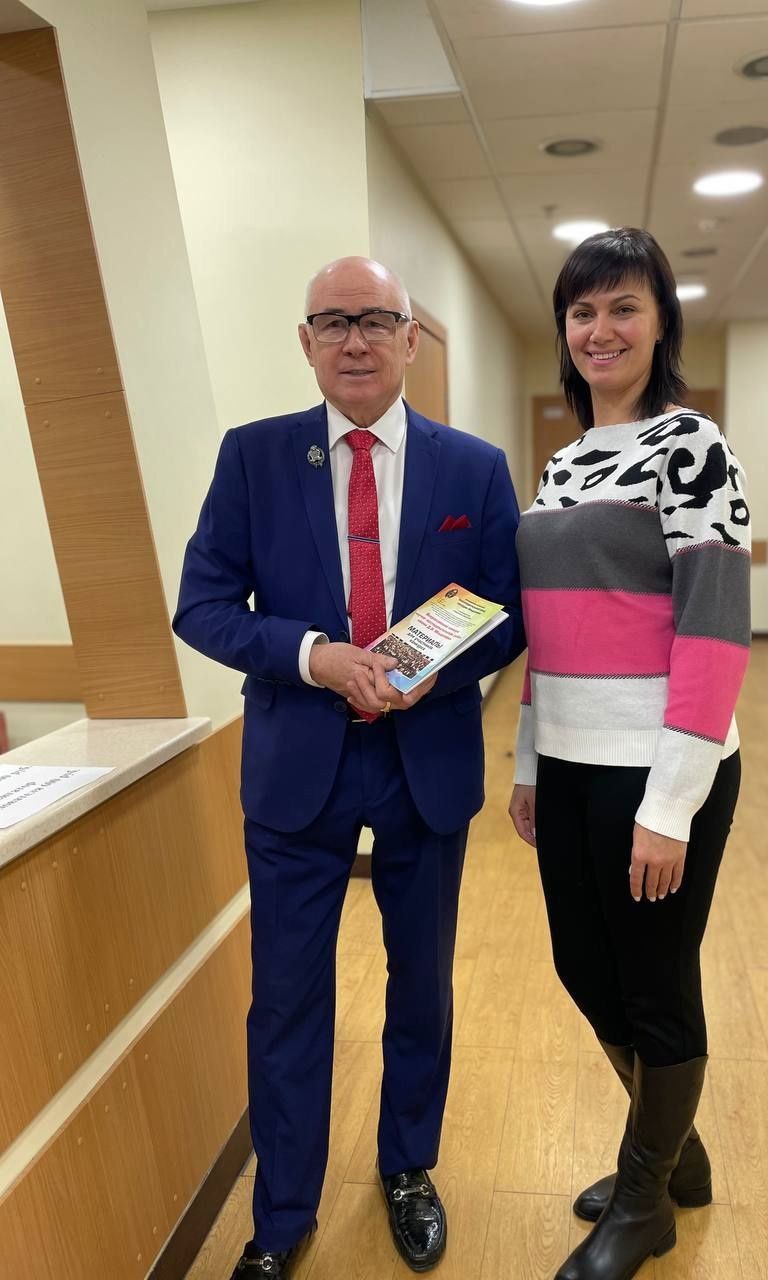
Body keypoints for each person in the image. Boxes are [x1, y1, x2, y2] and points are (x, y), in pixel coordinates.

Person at [173, 257, 524, 1279]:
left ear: (412, 339)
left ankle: (407, 1167)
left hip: (426, 760)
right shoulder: (254, 457)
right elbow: (202, 607)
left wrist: (444, 664)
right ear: (306, 342)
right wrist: (312, 655)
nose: (355, 340)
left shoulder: (474, 467)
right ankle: (281, 1215)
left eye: (376, 320)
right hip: (298, 766)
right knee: (287, 996)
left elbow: (508, 609)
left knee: (422, 984)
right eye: (333, 322)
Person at [508, 227, 751, 1280]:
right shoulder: (563, 463)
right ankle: (674, 1153)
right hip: (568, 763)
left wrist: (671, 803)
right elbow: (549, 630)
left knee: (654, 982)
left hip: (657, 767)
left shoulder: (693, 446)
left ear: (661, 324)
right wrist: (529, 761)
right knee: (583, 965)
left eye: (623, 307)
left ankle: (644, 1198)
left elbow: (715, 631)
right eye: (582, 311)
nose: (599, 329)